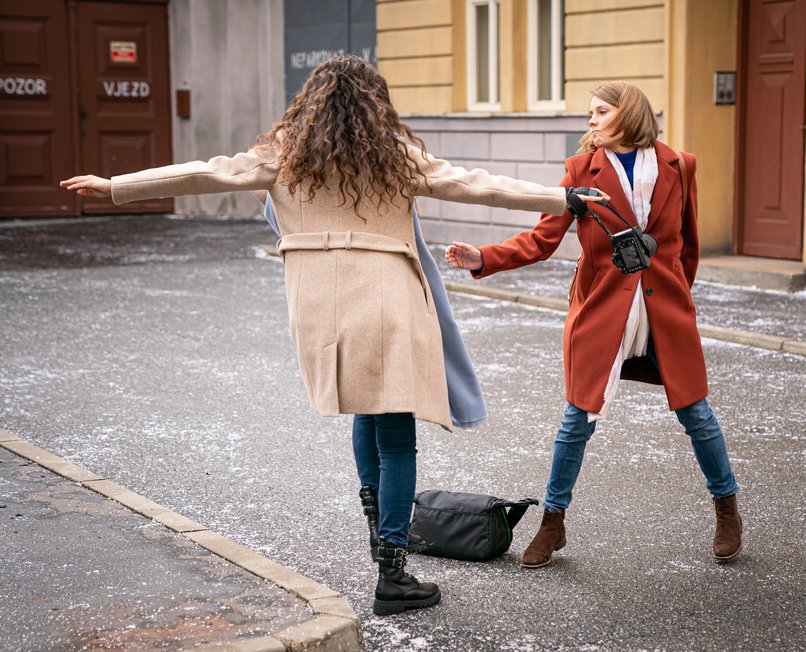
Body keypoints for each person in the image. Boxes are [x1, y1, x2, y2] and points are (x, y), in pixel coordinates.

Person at [61, 54, 605, 616]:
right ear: (375, 103)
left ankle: (380, 537)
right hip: (389, 298)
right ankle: (392, 570)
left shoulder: (283, 156)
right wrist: (561, 197)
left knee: (363, 411)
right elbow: (476, 185)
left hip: (320, 306)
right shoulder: (395, 156)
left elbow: (206, 170)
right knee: (395, 433)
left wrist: (115, 185)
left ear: (311, 100)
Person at [445, 81, 743, 569]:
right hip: (604, 309)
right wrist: (484, 257)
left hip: (664, 309)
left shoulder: (680, 165)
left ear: (627, 115)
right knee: (576, 421)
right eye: (590, 112)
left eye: (600, 112)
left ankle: (726, 509)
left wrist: (678, 299)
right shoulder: (580, 170)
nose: (590, 121)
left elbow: (687, 245)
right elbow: (543, 239)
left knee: (697, 414)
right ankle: (553, 522)